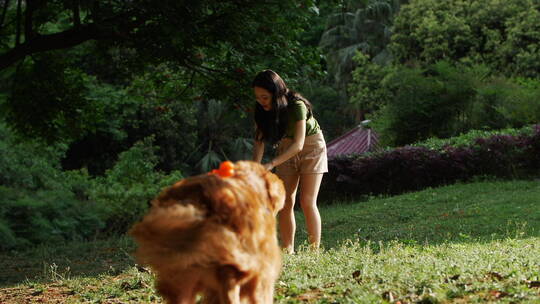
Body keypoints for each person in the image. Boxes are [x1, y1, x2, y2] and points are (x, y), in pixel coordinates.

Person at [251, 69, 328, 253]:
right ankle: (288, 250)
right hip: (286, 146)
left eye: (265, 97)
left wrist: (270, 164)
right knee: (285, 201)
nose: (261, 102)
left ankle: (314, 251)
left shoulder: (296, 105)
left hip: (312, 146)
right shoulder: (261, 110)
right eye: (257, 97)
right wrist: (255, 168)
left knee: (307, 201)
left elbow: (299, 144)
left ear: (276, 93)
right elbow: (259, 141)